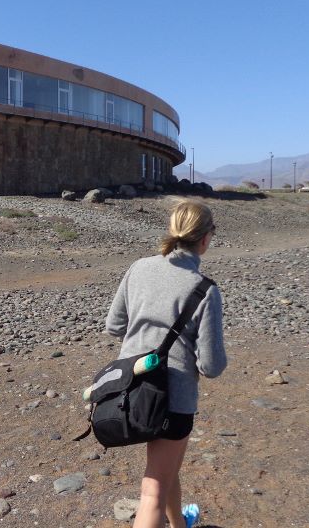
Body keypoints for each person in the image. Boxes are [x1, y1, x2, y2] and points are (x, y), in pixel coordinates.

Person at [105, 199, 227, 528]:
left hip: (130, 390)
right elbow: (212, 366)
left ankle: (178, 524)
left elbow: (114, 326)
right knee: (152, 491)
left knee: (165, 471)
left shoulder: (139, 267)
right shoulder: (204, 290)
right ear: (205, 239)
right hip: (173, 401)